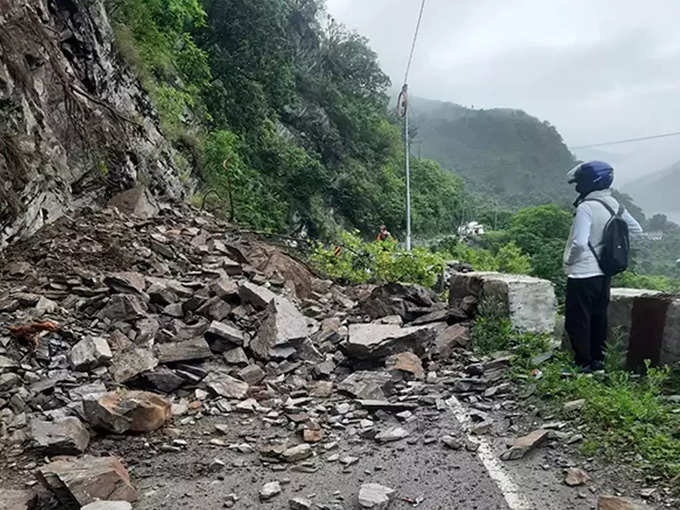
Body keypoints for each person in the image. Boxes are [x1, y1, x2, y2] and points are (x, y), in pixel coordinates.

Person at [563, 161, 643, 373]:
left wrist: (570, 261)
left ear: (589, 183)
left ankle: (583, 364)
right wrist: (607, 244)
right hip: (604, 272)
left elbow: (579, 242)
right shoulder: (616, 205)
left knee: (577, 319)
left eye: (579, 183)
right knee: (599, 317)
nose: (577, 187)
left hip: (582, 272)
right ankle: (598, 362)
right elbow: (636, 229)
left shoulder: (586, 207)